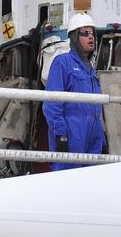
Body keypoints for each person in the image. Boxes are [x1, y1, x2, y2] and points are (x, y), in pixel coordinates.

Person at [42, 11, 106, 171]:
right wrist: (61, 134)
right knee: (66, 184)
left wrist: (102, 138)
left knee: (89, 184)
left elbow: (97, 108)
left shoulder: (91, 70)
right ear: (74, 37)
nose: (91, 37)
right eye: (85, 33)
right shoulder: (62, 63)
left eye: (92, 33)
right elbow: (52, 104)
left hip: (93, 137)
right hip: (71, 133)